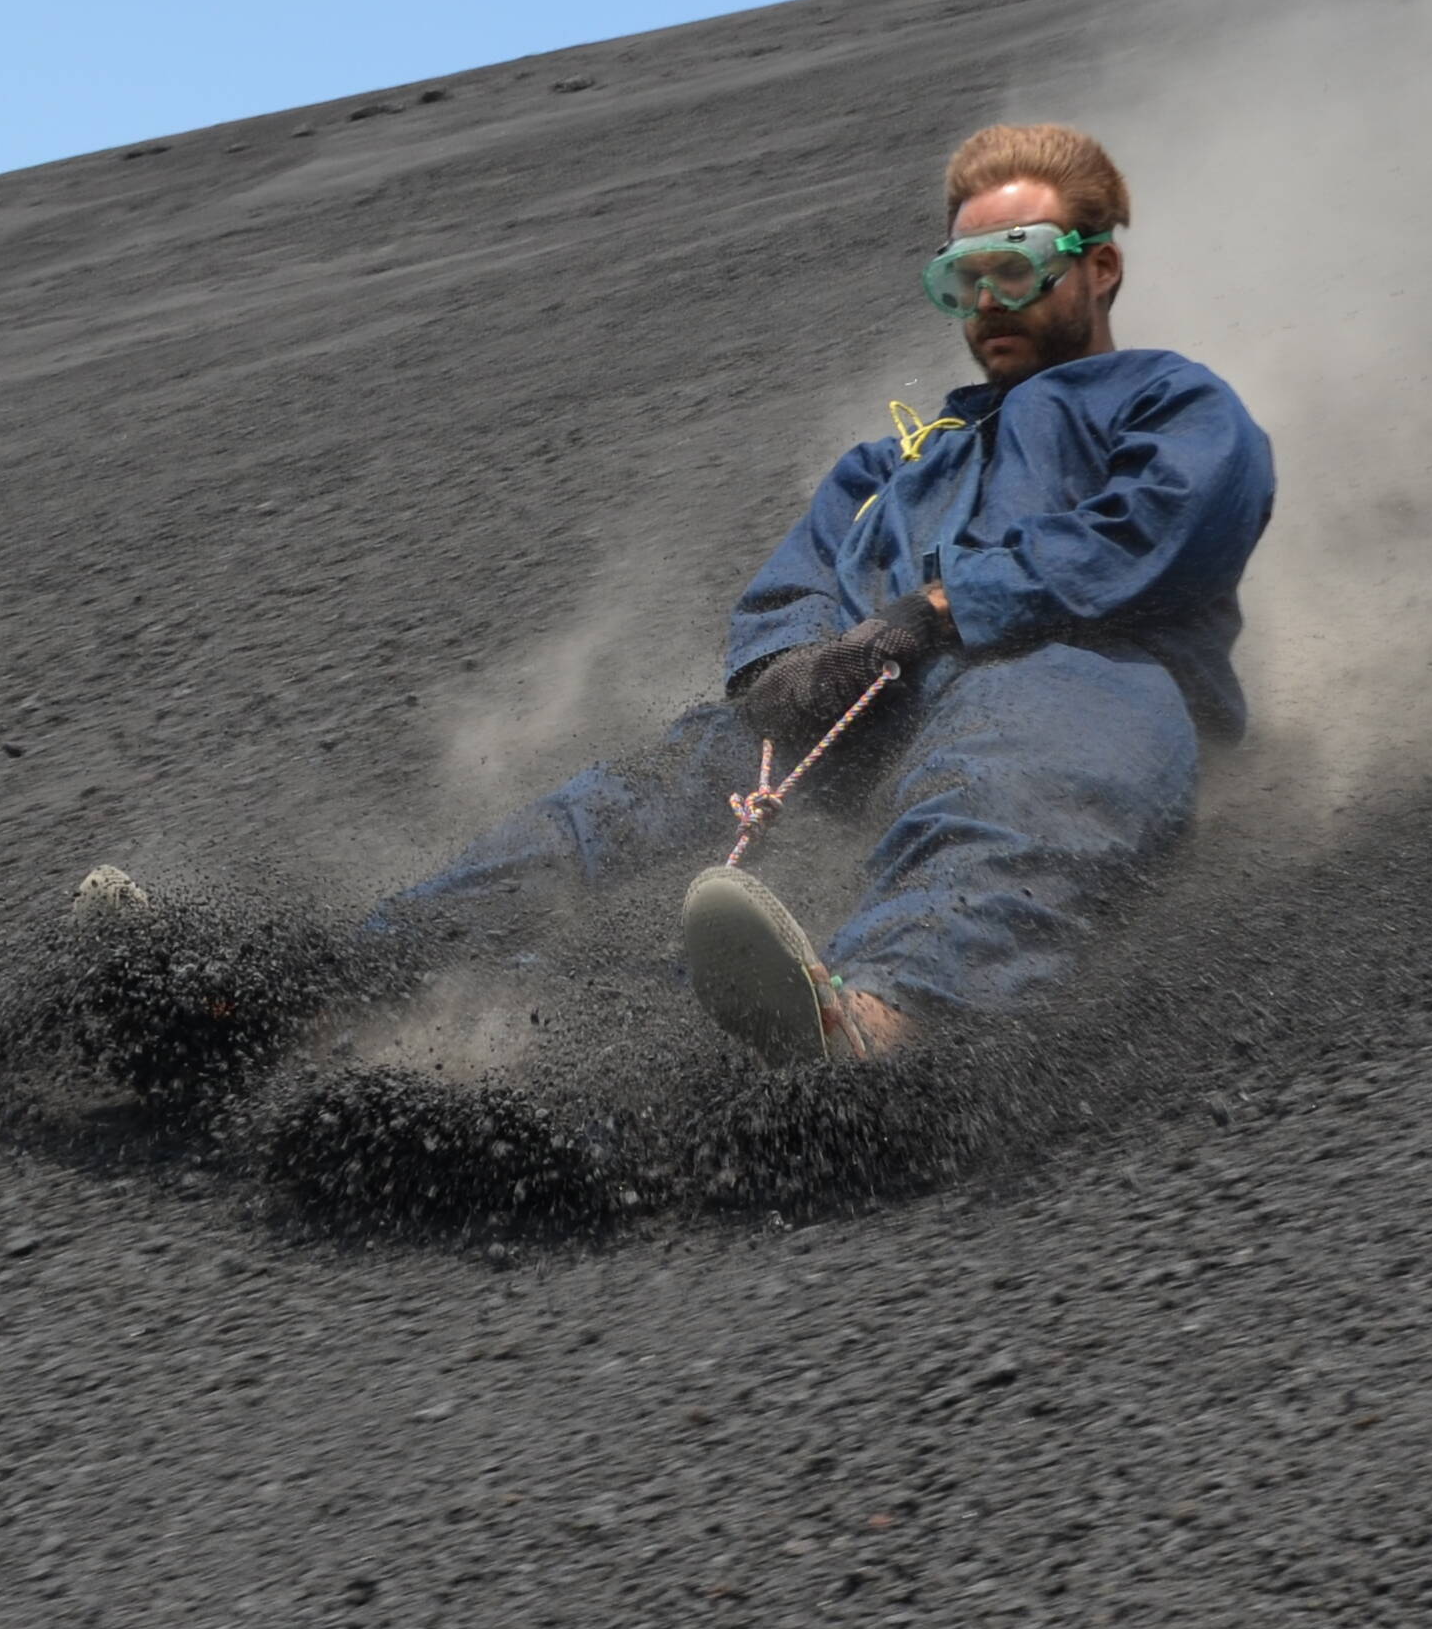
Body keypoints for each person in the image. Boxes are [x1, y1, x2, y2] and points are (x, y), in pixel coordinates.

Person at [236, 120, 1277, 1069]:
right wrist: (789, 666)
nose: (987, 302)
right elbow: (796, 581)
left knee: (1007, 778)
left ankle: (875, 1022)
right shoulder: (892, 463)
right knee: (623, 800)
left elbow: (1165, 522)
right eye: (960, 280)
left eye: (1015, 268)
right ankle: (347, 987)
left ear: (1098, 267)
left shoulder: (1166, 399)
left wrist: (940, 609)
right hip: (872, 704)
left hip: (1087, 675)